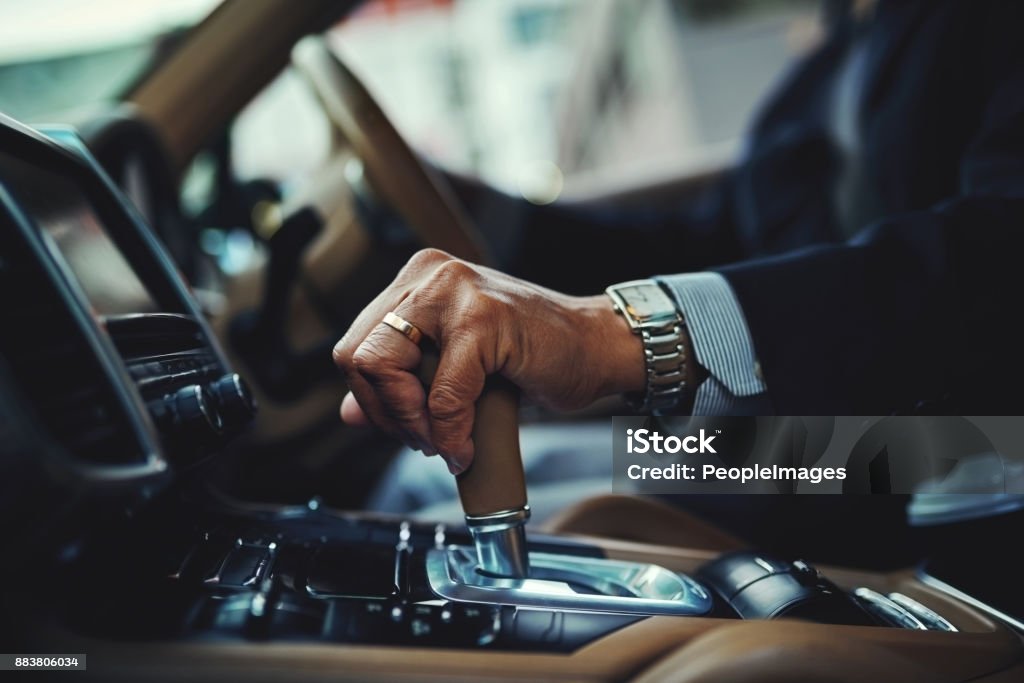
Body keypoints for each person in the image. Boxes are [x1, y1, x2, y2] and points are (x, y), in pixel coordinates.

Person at [330, 0, 1024, 547]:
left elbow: (995, 260)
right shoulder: (846, 47)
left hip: (965, 447)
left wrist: (615, 335)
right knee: (417, 486)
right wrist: (490, 216)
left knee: (432, 507)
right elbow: (716, 234)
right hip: (823, 430)